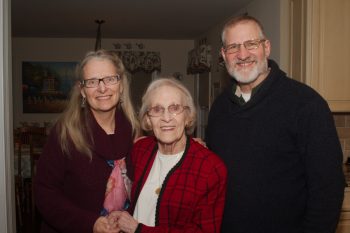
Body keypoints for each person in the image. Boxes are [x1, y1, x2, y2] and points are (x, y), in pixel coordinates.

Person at [205, 15, 345, 233]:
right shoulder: (219, 109)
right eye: (233, 47)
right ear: (223, 55)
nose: (242, 55)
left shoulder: (306, 104)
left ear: (266, 47)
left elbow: (328, 191)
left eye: (251, 44)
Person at [35, 49, 140, 233]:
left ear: (121, 84)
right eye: (92, 82)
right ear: (82, 90)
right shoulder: (65, 133)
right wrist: (90, 223)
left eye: (110, 79)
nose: (102, 88)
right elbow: (45, 194)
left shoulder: (136, 131)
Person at [108, 78, 227, 233]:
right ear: (148, 119)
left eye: (175, 108)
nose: (166, 118)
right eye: (157, 109)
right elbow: (142, 204)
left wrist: (139, 230)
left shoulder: (211, 169)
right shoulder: (140, 150)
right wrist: (123, 217)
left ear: (188, 116)